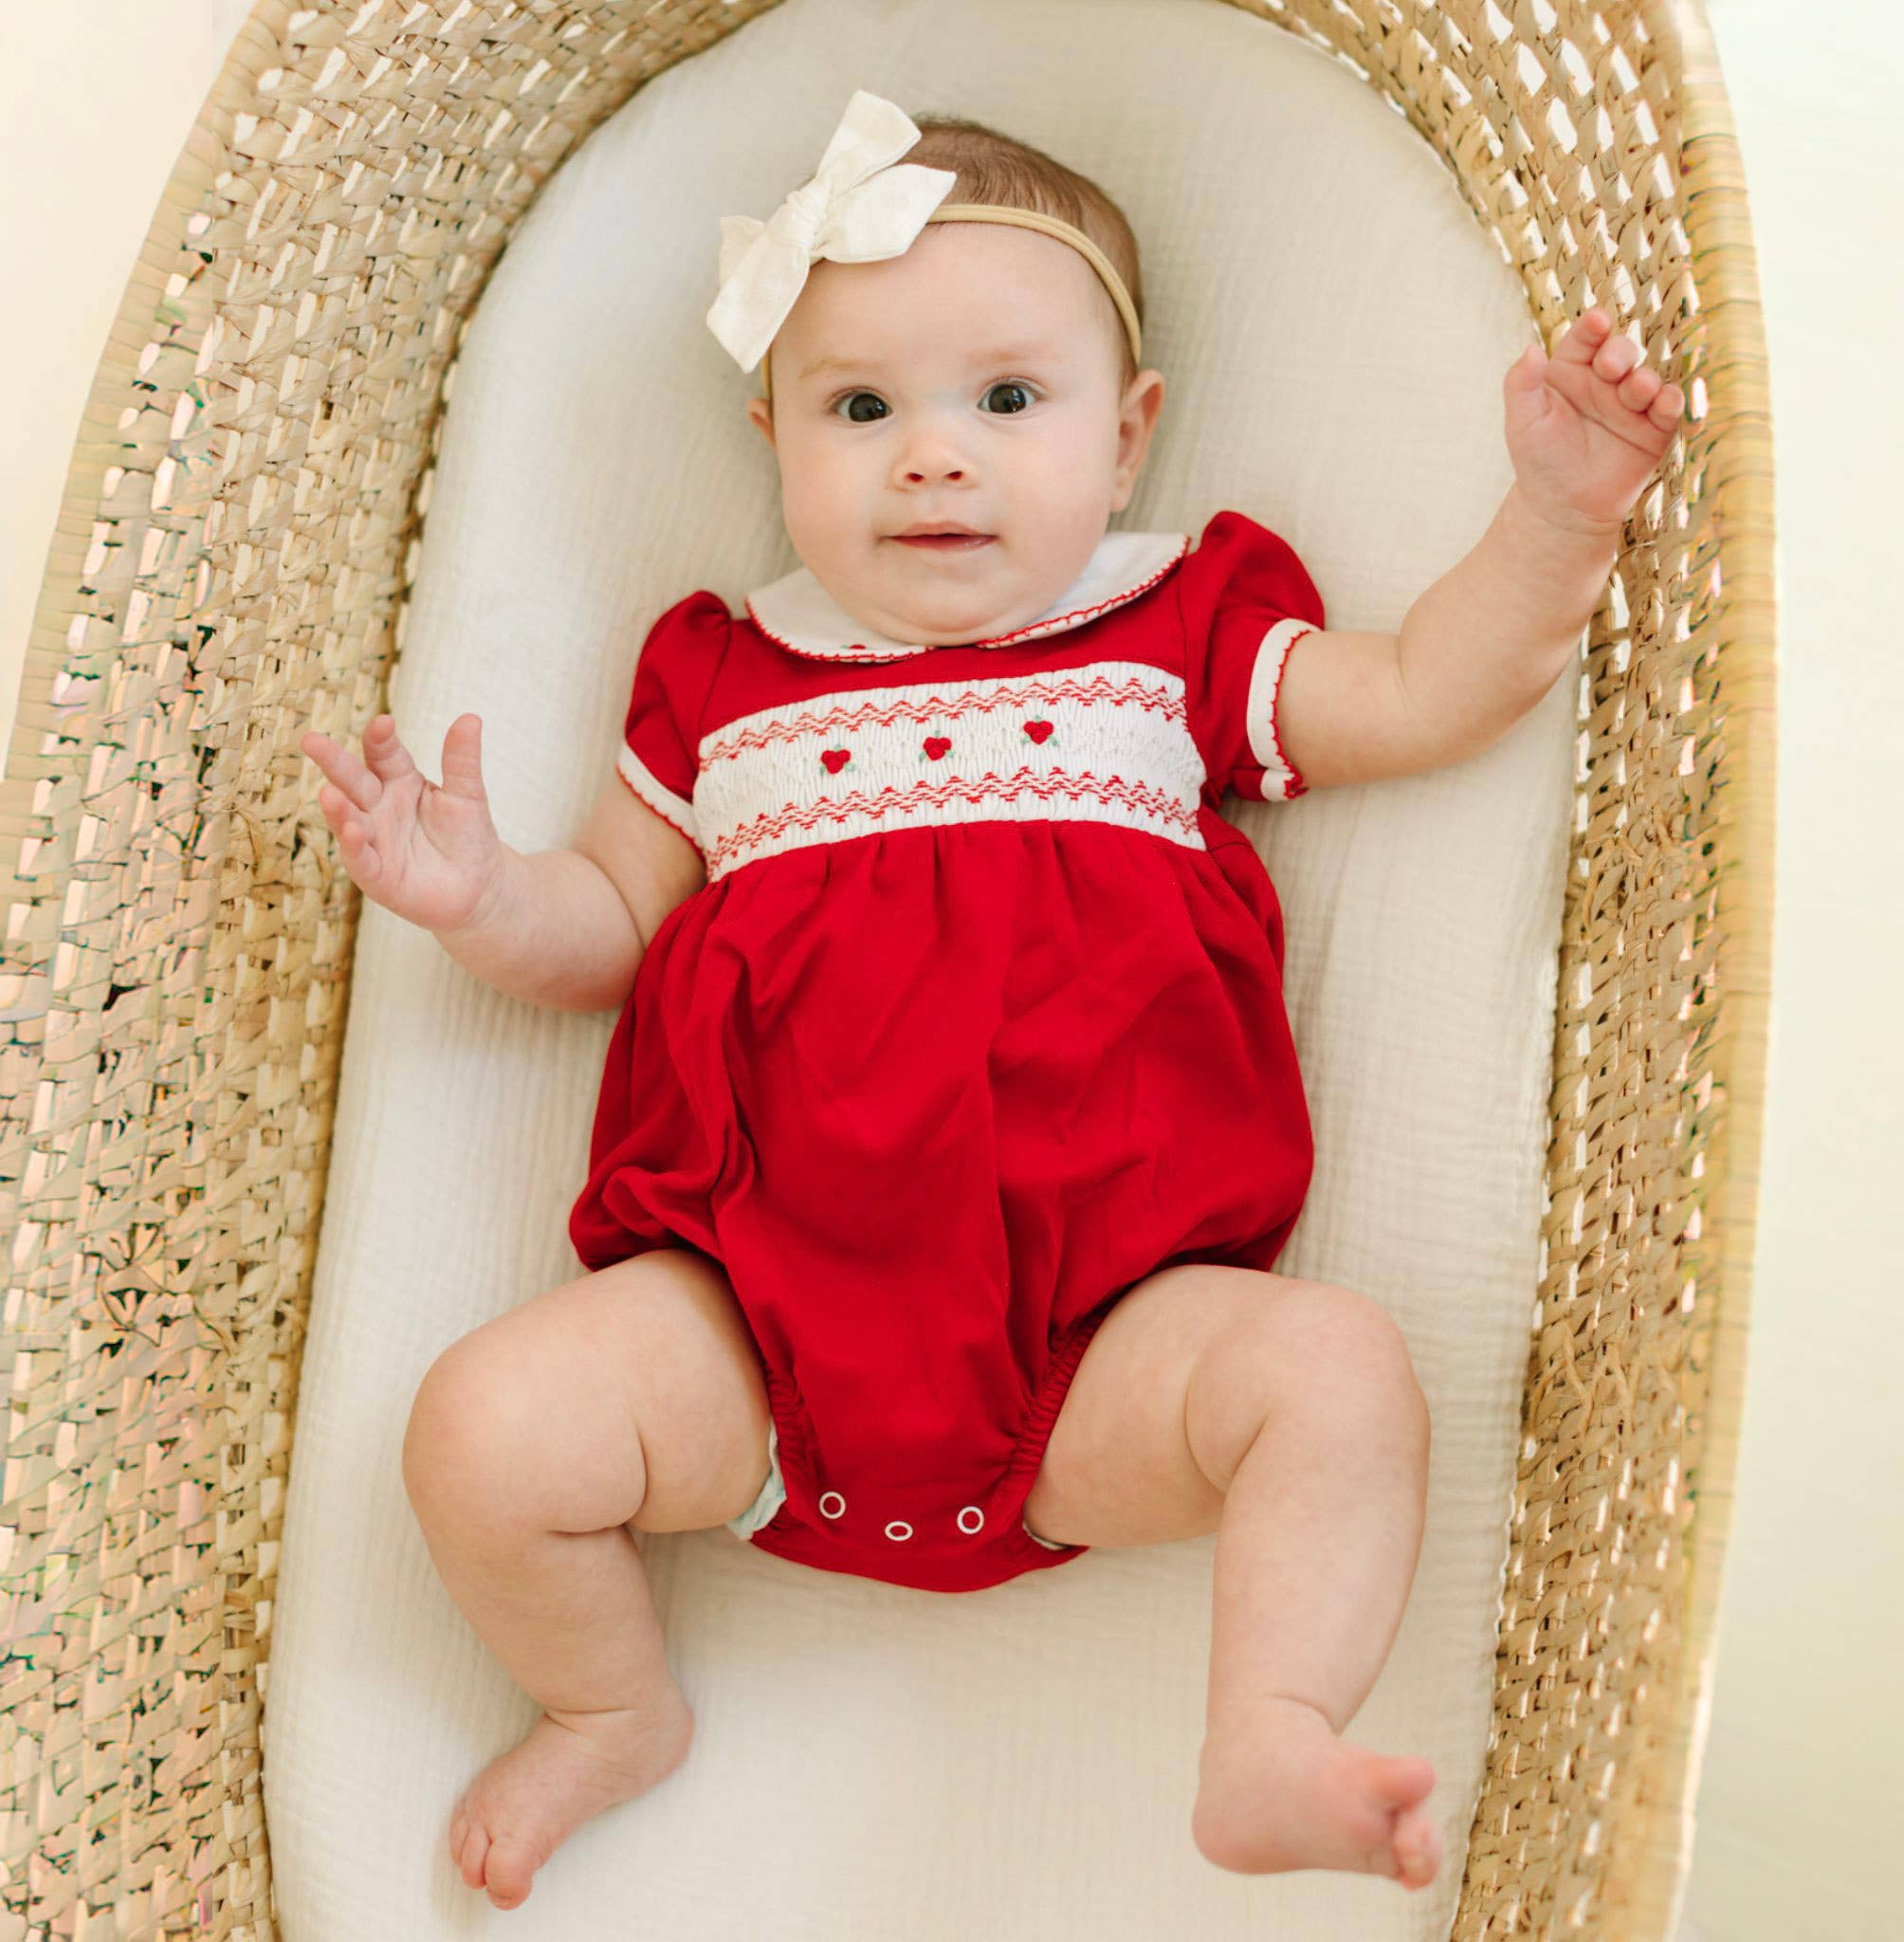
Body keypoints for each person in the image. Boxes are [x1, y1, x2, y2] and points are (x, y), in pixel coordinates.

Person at [300, 87, 1682, 1915]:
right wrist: (477, 894)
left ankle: (1270, 1723)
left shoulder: (1171, 634)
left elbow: (1430, 686)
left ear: (1130, 435)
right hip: (751, 1347)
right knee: (480, 1427)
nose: (932, 460)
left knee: (1335, 1374)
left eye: (1008, 401)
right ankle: (608, 1704)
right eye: (861, 409)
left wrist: (1560, 516)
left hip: (1099, 1347)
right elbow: (611, 929)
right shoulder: (720, 679)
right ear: (771, 436)